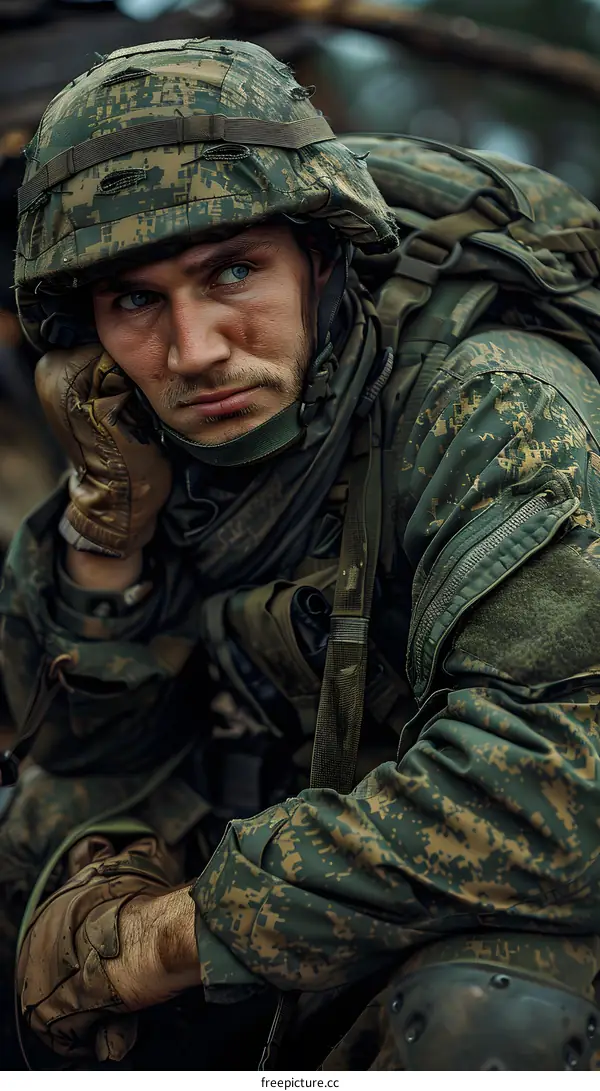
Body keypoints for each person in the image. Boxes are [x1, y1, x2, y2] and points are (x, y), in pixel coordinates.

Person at [3, 36, 600, 1071]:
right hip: (301, 881)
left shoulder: (494, 404)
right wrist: (105, 540)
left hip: (456, 909)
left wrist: (170, 937)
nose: (194, 351)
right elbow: (74, 754)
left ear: (324, 260)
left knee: (489, 1017)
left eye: (232, 270)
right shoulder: (143, 444)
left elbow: (558, 798)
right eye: (136, 300)